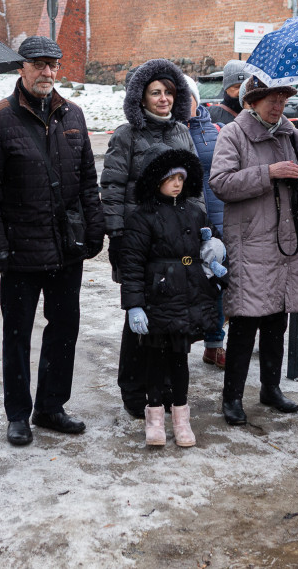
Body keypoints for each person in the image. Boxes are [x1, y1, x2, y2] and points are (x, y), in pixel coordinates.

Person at [0, 36, 104, 447]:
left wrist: (94, 231)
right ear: (21, 68)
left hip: (67, 247)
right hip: (20, 250)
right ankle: (17, 414)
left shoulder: (73, 116)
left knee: (64, 328)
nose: (47, 72)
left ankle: (51, 405)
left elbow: (87, 183)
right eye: (39, 64)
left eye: (53, 65)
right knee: (18, 334)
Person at [210, 75, 298, 426]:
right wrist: (268, 172)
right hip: (250, 241)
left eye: (282, 100)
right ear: (252, 101)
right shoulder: (233, 133)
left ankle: (270, 389)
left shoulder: (292, 133)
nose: (278, 106)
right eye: (271, 100)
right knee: (246, 321)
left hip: (287, 240)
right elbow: (221, 183)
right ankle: (232, 398)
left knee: (278, 318)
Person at [101, 58, 200, 418]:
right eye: (155, 93)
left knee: (170, 313)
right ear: (140, 98)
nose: (163, 99)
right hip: (138, 240)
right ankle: (133, 387)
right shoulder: (127, 135)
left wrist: (200, 230)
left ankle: (167, 387)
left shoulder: (181, 133)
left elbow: (194, 187)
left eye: (169, 93)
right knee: (139, 312)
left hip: (175, 243)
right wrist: (117, 233)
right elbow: (111, 186)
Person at [121, 148, 221, 447]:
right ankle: (154, 418)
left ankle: (181, 417)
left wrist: (214, 252)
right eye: (170, 178)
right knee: (154, 359)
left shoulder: (194, 212)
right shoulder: (142, 217)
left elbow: (208, 241)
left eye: (181, 178)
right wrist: (135, 304)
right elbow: (132, 263)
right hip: (158, 297)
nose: (177, 183)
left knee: (180, 360)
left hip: (187, 296)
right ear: (157, 180)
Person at [184, 76, 227, 368]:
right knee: (185, 283)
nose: (184, 102)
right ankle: (179, 347)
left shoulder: (215, 129)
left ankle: (215, 343)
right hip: (184, 218)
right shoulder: (168, 131)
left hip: (217, 215)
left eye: (188, 96)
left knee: (217, 284)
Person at [207, 60, 248, 127]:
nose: (242, 91)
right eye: (237, 87)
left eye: (246, 86)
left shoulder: (257, 114)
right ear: (226, 88)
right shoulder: (210, 115)